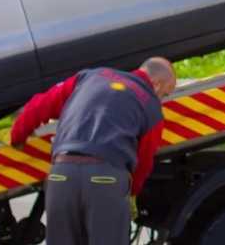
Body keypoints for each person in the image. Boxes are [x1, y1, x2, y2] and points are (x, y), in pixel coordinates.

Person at [9, 57, 175, 245]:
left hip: (61, 175)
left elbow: (41, 104)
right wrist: (132, 194)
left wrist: (17, 135)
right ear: (156, 83)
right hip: (106, 180)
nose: (162, 99)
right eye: (165, 93)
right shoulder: (151, 107)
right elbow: (143, 162)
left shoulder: (90, 77)